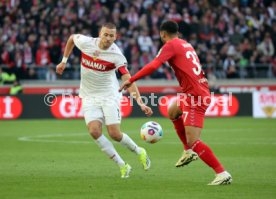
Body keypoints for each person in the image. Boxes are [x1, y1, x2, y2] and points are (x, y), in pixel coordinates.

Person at [120, 20, 232, 185]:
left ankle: (222, 173)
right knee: (172, 111)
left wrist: (132, 80)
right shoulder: (185, 44)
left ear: (162, 34)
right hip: (195, 91)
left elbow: (153, 66)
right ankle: (187, 151)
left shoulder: (170, 45)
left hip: (196, 96)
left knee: (194, 141)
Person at [56, 23, 153, 178]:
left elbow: (128, 79)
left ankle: (139, 151)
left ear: (116, 37)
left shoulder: (117, 56)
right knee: (94, 131)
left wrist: (140, 102)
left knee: (114, 133)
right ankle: (123, 166)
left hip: (109, 96)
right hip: (88, 96)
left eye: (111, 36)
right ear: (100, 33)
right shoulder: (86, 42)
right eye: (105, 34)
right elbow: (72, 38)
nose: (108, 38)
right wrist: (64, 61)